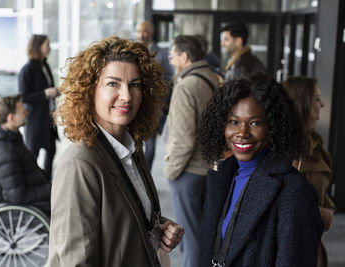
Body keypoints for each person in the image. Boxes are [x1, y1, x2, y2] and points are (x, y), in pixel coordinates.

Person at [47, 36, 184, 267]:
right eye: (113, 83)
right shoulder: (80, 163)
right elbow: (76, 261)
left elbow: (124, 219)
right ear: (90, 90)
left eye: (135, 84)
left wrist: (160, 228)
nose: (127, 96)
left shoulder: (131, 147)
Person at [197, 73, 324, 266]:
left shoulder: (294, 192)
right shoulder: (223, 176)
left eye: (255, 123)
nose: (241, 133)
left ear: (273, 127)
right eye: (234, 122)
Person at [164, 35, 220, 267]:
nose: (170, 59)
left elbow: (184, 139)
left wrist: (170, 171)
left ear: (184, 57)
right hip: (208, 168)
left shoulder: (187, 85)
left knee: (191, 238)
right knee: (203, 234)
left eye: (173, 55)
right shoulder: (212, 78)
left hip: (189, 171)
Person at [284, 76, 336, 267]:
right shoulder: (287, 150)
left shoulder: (314, 144)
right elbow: (282, 204)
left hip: (311, 241)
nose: (322, 104)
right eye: (316, 98)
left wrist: (327, 207)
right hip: (292, 250)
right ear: (301, 102)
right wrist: (321, 214)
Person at [0, 94, 51, 216]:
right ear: (11, 118)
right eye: (23, 111)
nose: (27, 113)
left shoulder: (10, 138)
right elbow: (18, 196)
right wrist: (51, 189)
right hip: (26, 208)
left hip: (35, 191)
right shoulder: (4, 154)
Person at [18, 34, 58, 178]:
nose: (50, 47)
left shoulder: (45, 65)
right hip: (35, 120)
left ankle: (47, 182)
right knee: (32, 155)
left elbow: (47, 90)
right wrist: (45, 93)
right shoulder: (27, 69)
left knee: (51, 151)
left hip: (48, 118)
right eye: (47, 44)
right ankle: (34, 182)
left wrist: (55, 92)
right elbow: (24, 97)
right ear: (38, 47)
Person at [136, 21, 174, 169]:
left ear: (151, 32)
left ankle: (147, 178)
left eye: (145, 31)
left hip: (158, 108)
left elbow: (170, 77)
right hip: (140, 107)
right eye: (139, 31)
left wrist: (164, 100)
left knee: (159, 145)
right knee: (143, 146)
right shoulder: (133, 52)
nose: (141, 34)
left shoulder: (162, 53)